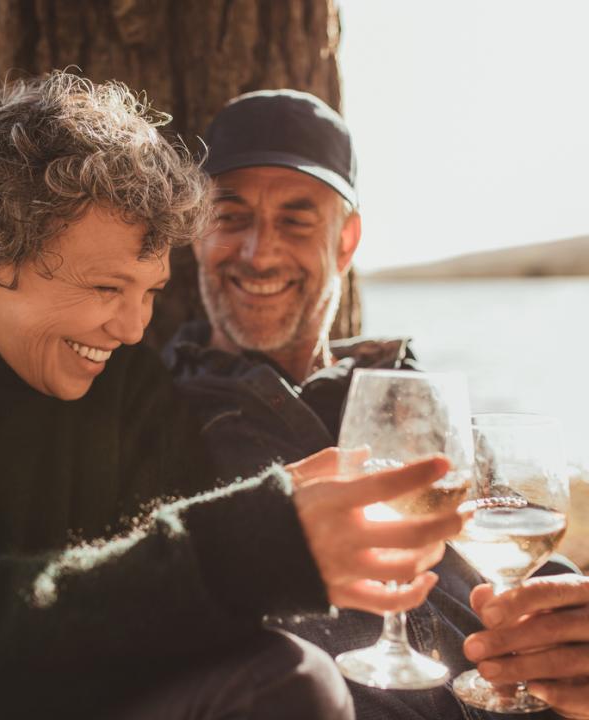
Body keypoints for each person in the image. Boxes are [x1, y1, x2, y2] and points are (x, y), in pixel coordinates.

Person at [0, 72, 464, 720]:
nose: (131, 329)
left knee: (291, 681)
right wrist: (230, 548)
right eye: (105, 289)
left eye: (149, 292)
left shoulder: (135, 392)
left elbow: (169, 637)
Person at [165, 88, 589, 720]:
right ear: (198, 232)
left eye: (296, 219)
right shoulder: (149, 412)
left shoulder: (414, 398)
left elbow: (520, 558)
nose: (259, 252)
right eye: (231, 216)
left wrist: (569, 631)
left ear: (345, 241)